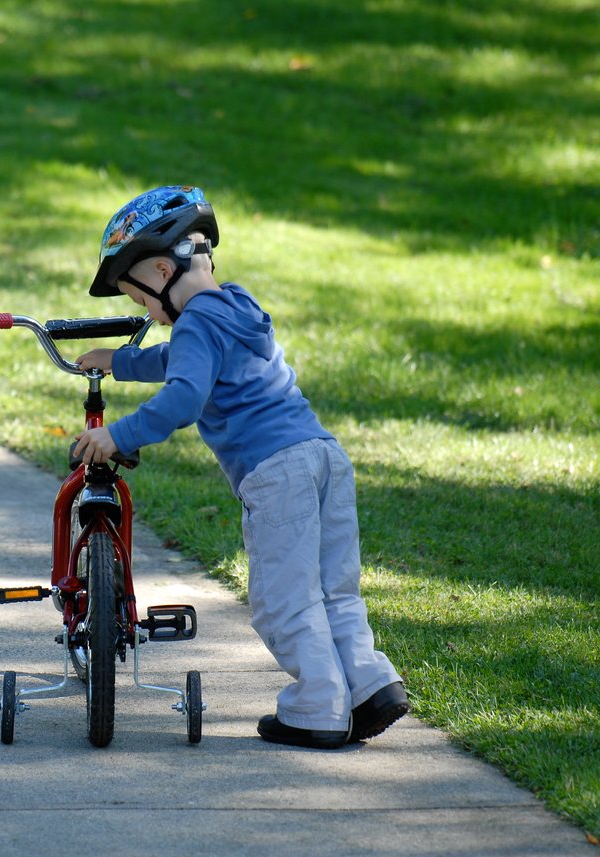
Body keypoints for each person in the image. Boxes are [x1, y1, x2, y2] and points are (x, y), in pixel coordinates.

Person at [72, 185, 409, 749]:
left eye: (143, 301)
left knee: (285, 600)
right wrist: (121, 360)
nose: (147, 314)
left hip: (276, 473)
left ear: (161, 269)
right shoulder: (235, 305)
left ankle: (318, 709)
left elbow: (183, 396)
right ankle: (371, 686)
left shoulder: (195, 324)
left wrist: (118, 434)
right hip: (323, 456)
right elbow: (184, 358)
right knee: (334, 591)